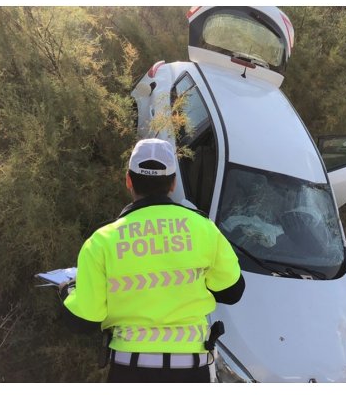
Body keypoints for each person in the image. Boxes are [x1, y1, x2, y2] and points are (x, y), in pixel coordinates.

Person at [59, 138, 245, 383]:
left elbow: (83, 321)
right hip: (192, 370)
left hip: (130, 371)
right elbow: (232, 292)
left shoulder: (101, 241)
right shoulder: (204, 229)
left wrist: (67, 289)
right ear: (173, 183)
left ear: (128, 180)